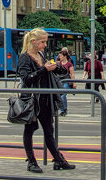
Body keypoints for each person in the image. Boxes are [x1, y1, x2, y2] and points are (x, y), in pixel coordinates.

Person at [17, 28, 74, 173]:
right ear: (33, 42)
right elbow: (26, 79)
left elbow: (50, 71)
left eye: (45, 42)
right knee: (29, 130)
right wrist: (44, 69)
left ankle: (58, 159)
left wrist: (57, 67)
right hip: (32, 100)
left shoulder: (41, 54)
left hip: (45, 98)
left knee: (49, 130)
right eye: (42, 42)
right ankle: (31, 162)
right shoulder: (25, 57)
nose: (45, 45)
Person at [55, 48, 75, 116]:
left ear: (65, 56)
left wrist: (74, 83)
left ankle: (64, 109)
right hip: (59, 81)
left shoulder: (69, 64)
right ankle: (61, 110)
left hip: (66, 81)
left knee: (63, 95)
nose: (59, 57)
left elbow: (72, 74)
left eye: (60, 56)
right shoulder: (58, 63)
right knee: (59, 96)